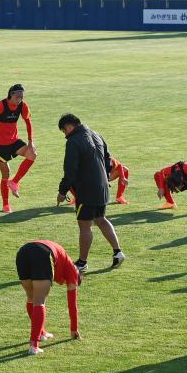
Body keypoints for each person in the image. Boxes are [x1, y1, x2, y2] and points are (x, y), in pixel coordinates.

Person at [55, 113, 125, 273]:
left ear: (69, 127)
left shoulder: (73, 141)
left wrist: (62, 191)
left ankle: (82, 262)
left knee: (85, 225)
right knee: (101, 219)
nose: (65, 135)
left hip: (86, 190)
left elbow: (70, 170)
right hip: (102, 187)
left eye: (64, 131)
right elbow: (108, 159)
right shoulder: (96, 134)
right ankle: (118, 252)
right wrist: (105, 177)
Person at [15, 240, 82, 355]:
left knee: (31, 297)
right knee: (39, 300)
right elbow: (72, 304)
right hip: (43, 253)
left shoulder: (65, 260)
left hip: (23, 251)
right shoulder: (73, 271)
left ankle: (41, 333)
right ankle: (34, 345)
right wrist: (74, 329)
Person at [0, 84, 37, 213]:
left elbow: (28, 122)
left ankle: (14, 182)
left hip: (14, 142)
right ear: (11, 95)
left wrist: (30, 142)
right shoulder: (0, 106)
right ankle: (5, 205)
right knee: (5, 174)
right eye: (17, 96)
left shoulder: (22, 106)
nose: (20, 99)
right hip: (0, 146)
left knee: (32, 154)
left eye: (21, 96)